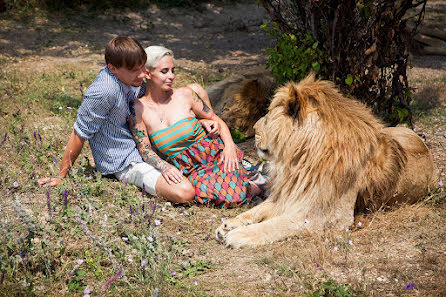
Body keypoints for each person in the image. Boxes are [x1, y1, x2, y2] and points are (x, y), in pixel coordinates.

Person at [38, 36, 218, 204]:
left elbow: (164, 100)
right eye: (134, 70)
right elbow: (79, 133)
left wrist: (198, 119)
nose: (142, 75)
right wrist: (62, 176)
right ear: (112, 68)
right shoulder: (103, 92)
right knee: (184, 192)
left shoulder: (133, 78)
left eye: (142, 67)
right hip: (127, 160)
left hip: (147, 142)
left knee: (197, 92)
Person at [129, 45, 261, 208]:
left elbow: (216, 120)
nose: (171, 76)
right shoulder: (138, 109)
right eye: (164, 71)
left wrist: (229, 147)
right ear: (148, 73)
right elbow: (145, 149)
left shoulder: (185, 94)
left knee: (234, 196)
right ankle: (253, 181)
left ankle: (255, 182)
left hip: (214, 155)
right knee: (206, 194)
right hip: (188, 168)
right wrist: (165, 167)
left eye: (173, 70)